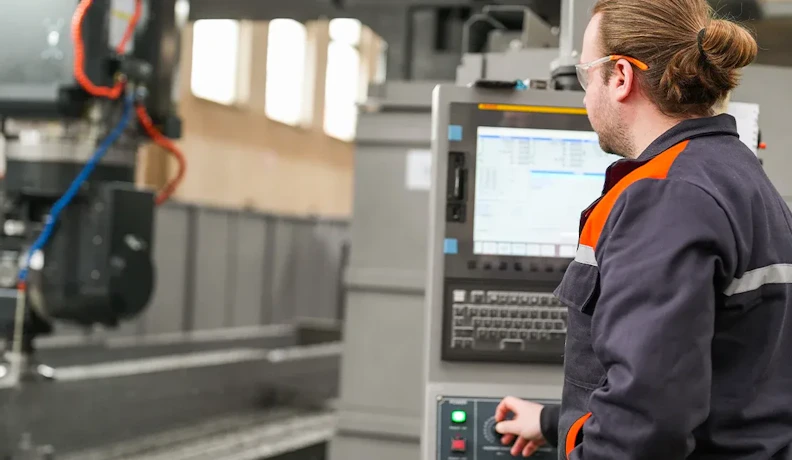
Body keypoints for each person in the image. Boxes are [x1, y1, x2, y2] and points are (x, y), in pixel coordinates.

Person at [494, 0, 792, 459]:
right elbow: (718, 371)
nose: (585, 91)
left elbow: (645, 427)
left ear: (620, 77)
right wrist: (555, 423)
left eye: (585, 74)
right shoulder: (738, 174)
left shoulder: (665, 195)